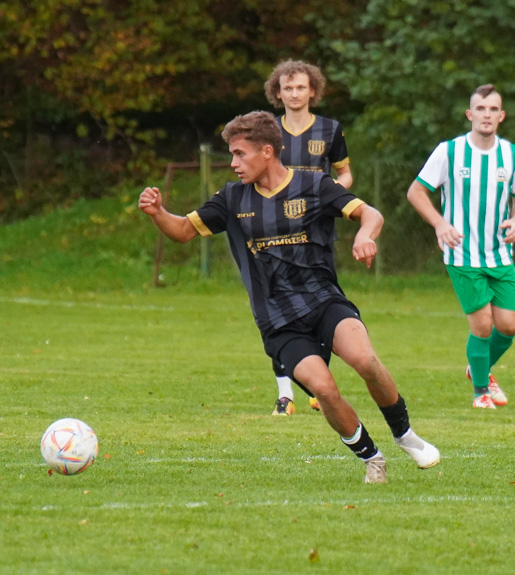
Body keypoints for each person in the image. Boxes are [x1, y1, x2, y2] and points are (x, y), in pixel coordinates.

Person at [139, 111, 439, 483]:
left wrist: (365, 235)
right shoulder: (232, 198)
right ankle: (373, 459)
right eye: (231, 154)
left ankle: (405, 434)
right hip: (278, 320)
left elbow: (370, 214)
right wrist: (157, 213)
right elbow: (183, 231)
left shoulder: (315, 186)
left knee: (365, 360)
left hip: (324, 301)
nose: (232, 163)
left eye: (239, 154)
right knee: (325, 390)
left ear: (267, 151)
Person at [407, 84, 515, 409]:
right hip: (462, 252)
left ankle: (477, 366)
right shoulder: (449, 151)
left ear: (501, 116)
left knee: (509, 325)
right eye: (481, 109)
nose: (487, 115)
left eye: (493, 109)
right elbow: (416, 192)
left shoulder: (512, 154)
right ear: (470, 114)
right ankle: (481, 392)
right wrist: (440, 223)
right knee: (482, 325)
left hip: (500, 253)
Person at [262, 59, 355, 416]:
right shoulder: (267, 131)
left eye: (301, 87)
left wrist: (326, 195)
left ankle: (319, 385)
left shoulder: (330, 129)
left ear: (312, 90)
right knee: (276, 308)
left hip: (316, 233)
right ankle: (285, 395)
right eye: (288, 87)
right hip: (272, 233)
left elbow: (345, 175)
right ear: (277, 92)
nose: (295, 93)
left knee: (321, 303)